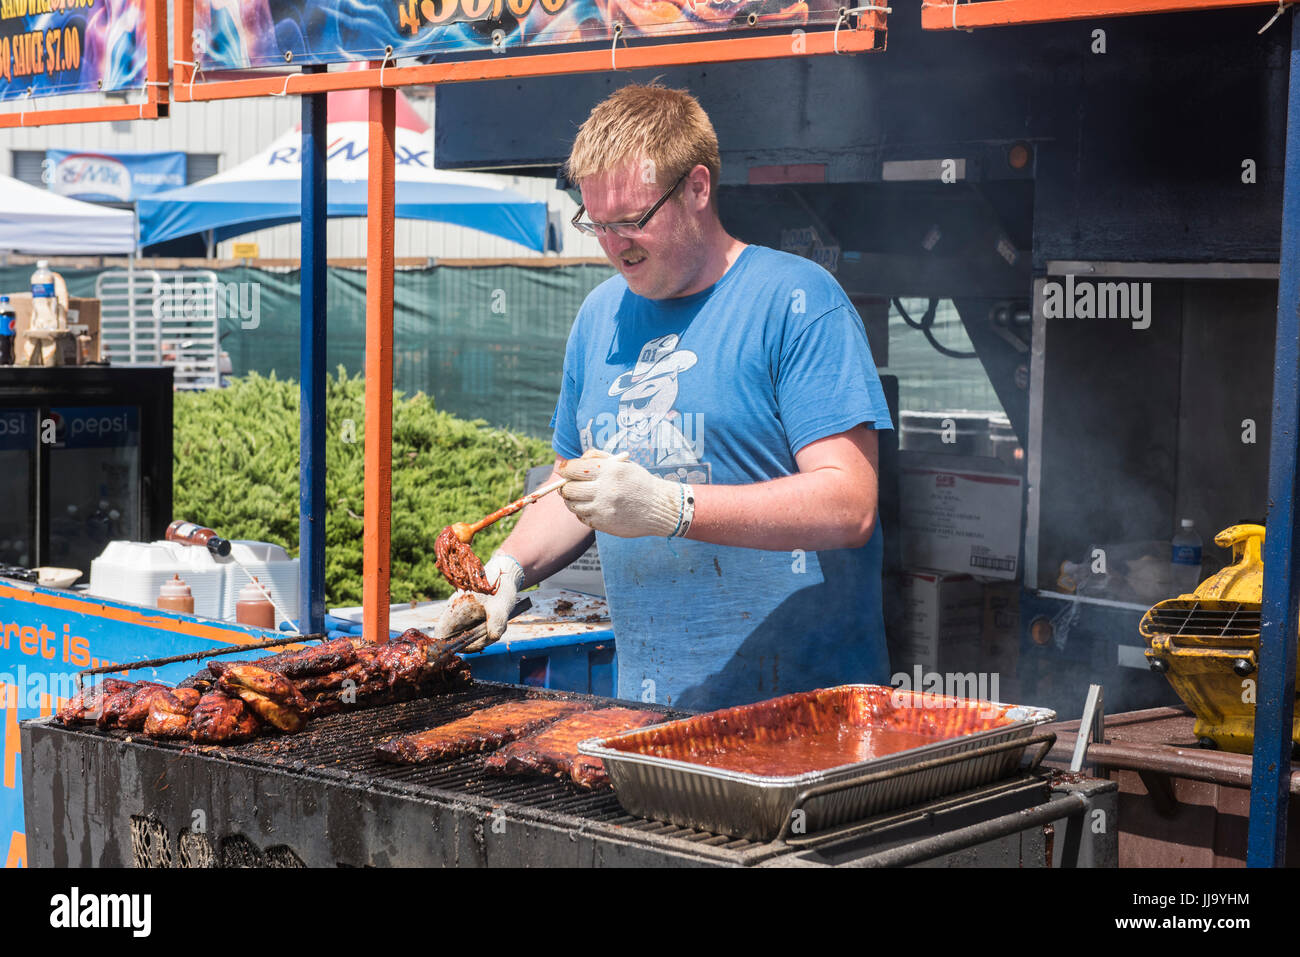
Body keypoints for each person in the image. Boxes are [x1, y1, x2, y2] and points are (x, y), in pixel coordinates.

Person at [435, 83, 893, 711]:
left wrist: (672, 507)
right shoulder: (600, 316)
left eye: (633, 220)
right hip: (649, 715)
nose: (614, 244)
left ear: (698, 189)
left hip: (806, 716)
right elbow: (573, 490)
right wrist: (506, 571)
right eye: (597, 222)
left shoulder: (798, 301)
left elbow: (849, 505)